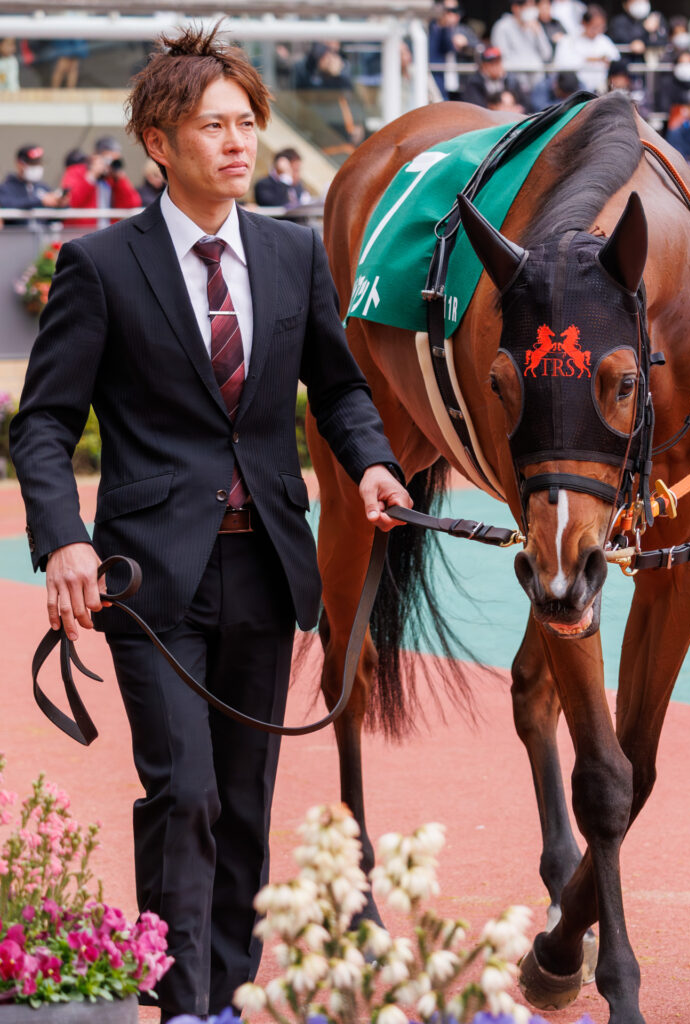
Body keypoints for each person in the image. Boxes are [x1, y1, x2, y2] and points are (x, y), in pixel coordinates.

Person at [9, 23, 411, 1023]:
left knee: (244, 799)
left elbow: (342, 387)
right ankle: (180, 1003)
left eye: (246, 123)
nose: (237, 143)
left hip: (271, 571)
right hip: (149, 581)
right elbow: (47, 423)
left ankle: (227, 994)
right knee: (182, 792)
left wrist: (370, 464)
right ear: (158, 139)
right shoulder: (98, 264)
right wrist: (63, 538)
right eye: (212, 126)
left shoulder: (291, 252)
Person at [60, 134, 142, 228]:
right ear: (95, 156)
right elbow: (71, 201)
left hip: (107, 234)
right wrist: (92, 176)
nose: (109, 164)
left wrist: (120, 178)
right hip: (81, 233)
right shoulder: (76, 171)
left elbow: (133, 204)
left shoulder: (113, 179)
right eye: (107, 159)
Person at [553, 4, 620, 93]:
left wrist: (607, 60)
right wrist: (589, 59)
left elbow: (615, 57)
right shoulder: (568, 40)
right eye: (594, 27)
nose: (597, 31)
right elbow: (562, 64)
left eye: (601, 28)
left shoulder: (603, 40)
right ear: (584, 23)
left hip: (599, 90)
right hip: (574, 90)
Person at [0, 144, 69, 226]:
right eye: (32, 163)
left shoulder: (43, 187)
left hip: (42, 237)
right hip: (16, 237)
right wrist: (40, 201)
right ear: (19, 164)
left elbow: (54, 218)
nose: (36, 166)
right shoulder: (6, 188)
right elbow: (7, 205)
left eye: (38, 163)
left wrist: (60, 204)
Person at [491, 0, 554, 90]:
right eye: (527, 6)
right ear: (515, 8)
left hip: (537, 81)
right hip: (514, 81)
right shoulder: (502, 26)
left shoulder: (536, 25)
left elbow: (547, 55)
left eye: (533, 6)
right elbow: (502, 55)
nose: (531, 9)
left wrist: (538, 34)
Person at [428, 0, 482, 99]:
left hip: (462, 86)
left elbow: (480, 50)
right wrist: (445, 28)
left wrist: (466, 45)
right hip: (439, 84)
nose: (451, 14)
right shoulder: (432, 29)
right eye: (447, 10)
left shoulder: (464, 31)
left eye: (455, 10)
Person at [461, 45, 527, 110]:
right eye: (492, 64)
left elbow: (525, 104)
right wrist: (495, 109)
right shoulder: (474, 83)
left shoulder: (512, 80)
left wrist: (516, 108)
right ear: (483, 66)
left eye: (498, 62)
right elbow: (475, 107)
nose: (496, 67)